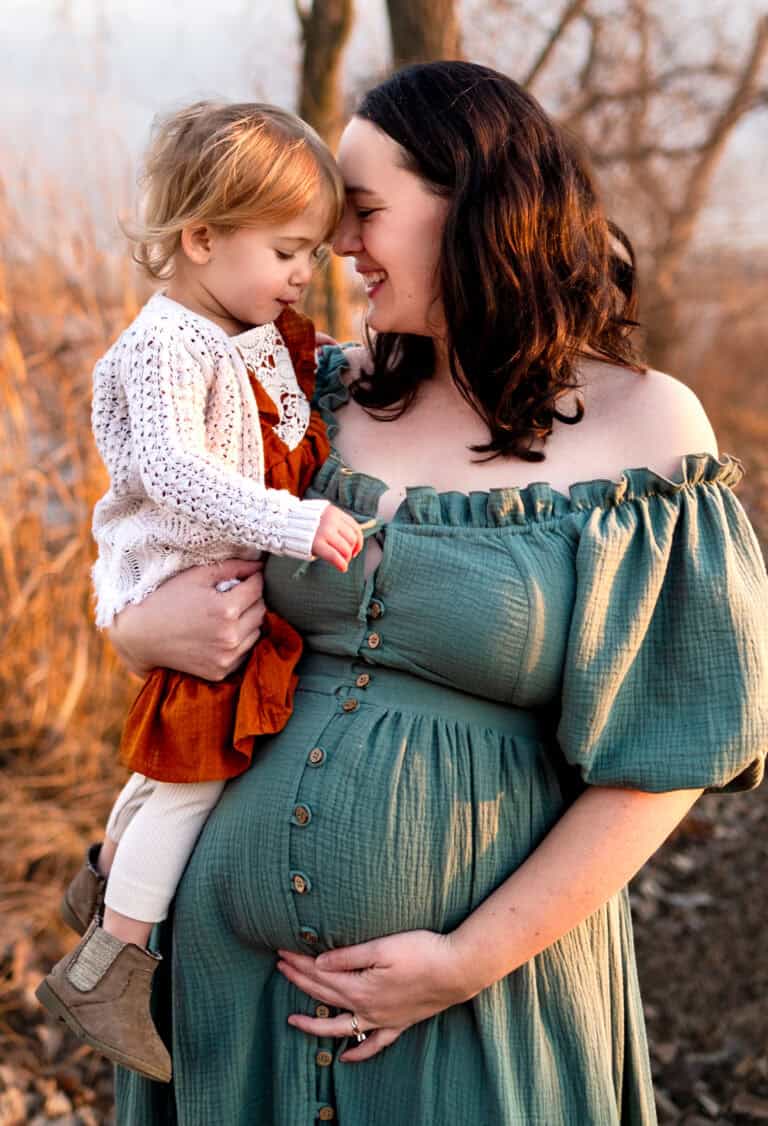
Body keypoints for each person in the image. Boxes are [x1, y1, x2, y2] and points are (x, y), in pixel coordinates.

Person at [109, 62, 768, 1124]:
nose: (337, 246)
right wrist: (145, 631)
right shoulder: (309, 392)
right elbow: (154, 553)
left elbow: (667, 757)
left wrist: (467, 958)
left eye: (365, 211)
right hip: (227, 990)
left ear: (476, 207)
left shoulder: (644, 432)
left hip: (479, 1001)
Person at [35, 100, 365, 1083]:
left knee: (166, 767)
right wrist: (295, 524)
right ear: (203, 236)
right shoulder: (162, 344)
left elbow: (297, 410)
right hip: (178, 572)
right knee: (196, 775)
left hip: (210, 573)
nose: (303, 275)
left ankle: (98, 883)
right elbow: (179, 476)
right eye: (287, 251)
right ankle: (114, 958)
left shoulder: (242, 326)